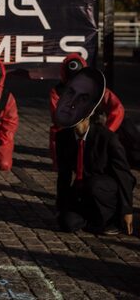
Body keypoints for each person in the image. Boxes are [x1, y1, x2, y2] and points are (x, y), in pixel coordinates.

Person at [54, 67, 135, 235]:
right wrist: (61, 207)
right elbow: (64, 175)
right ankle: (91, 218)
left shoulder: (107, 138)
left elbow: (124, 176)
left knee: (94, 185)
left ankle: (110, 218)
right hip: (82, 192)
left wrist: (127, 211)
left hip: (105, 190)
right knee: (67, 223)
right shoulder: (63, 137)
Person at [49, 53, 125, 169]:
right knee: (57, 132)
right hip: (69, 129)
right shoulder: (57, 92)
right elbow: (58, 118)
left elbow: (117, 109)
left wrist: (107, 131)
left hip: (92, 128)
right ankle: (64, 161)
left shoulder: (98, 89)